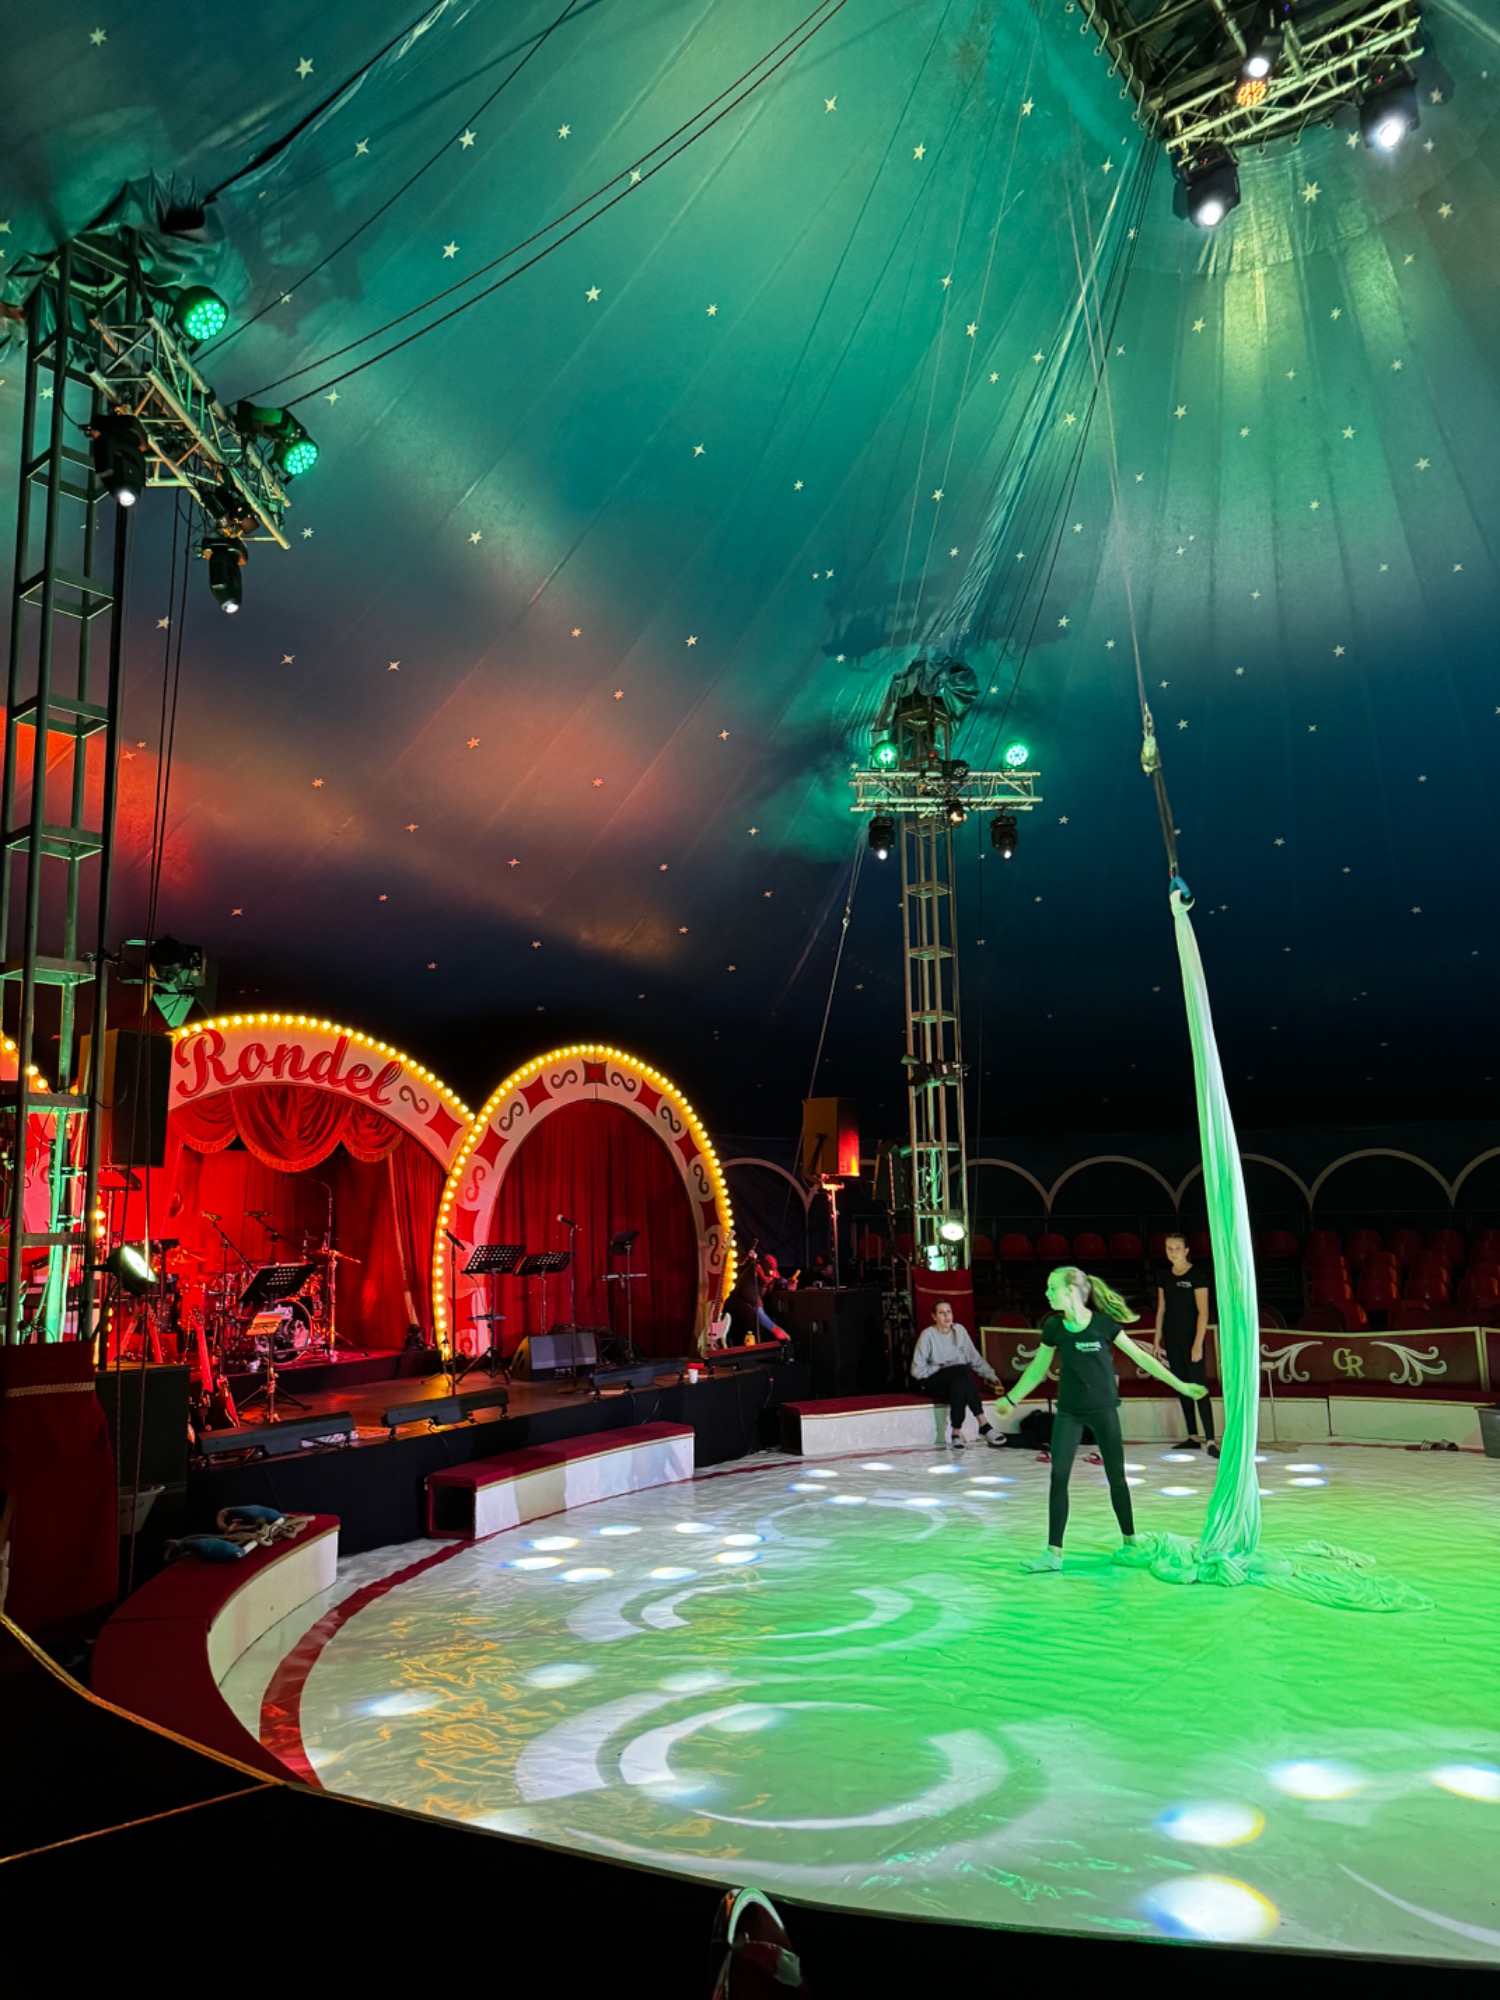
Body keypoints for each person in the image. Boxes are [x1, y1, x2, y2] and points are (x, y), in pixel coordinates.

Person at [991, 1266, 1209, 1572]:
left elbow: (1142, 1358)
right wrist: (1011, 1399)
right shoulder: (1054, 1328)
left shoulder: (1104, 1325)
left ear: (1071, 1291)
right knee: (1058, 1477)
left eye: (1052, 1287)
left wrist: (1182, 1386)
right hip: (1069, 1412)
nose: (1047, 1293)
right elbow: (1037, 1369)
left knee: (1117, 1477)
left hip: (1104, 1410)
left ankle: (1130, 1543)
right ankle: (1053, 1554)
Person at [1154, 1230, 1218, 1456]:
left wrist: (1198, 1343)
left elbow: (1203, 1312)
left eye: (1177, 1249)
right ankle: (1193, 1436)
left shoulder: (1197, 1275)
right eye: (1169, 1249)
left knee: (1198, 1387)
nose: (1173, 1253)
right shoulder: (1164, 1275)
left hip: (1192, 1338)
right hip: (1172, 1338)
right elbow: (1161, 1310)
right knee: (1181, 1385)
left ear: (1186, 1250)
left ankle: (1210, 1440)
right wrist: (1156, 1339)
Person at [911, 1300, 999, 1448]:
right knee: (961, 1371)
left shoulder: (960, 1331)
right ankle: (983, 1423)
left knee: (959, 1380)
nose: (947, 1316)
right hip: (933, 1381)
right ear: (934, 1316)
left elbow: (974, 1358)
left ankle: (956, 1432)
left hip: (956, 1379)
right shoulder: (927, 1335)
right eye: (941, 1313)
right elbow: (916, 1370)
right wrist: (939, 1367)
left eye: (949, 1312)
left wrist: (992, 1376)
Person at [724, 1266, 790, 1348]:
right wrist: (775, 1329)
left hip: (754, 1309)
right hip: (738, 1309)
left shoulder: (772, 1274)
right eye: (765, 1280)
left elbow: (781, 1281)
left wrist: (787, 1285)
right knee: (748, 1319)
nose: (768, 1281)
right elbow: (759, 1311)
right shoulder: (749, 1282)